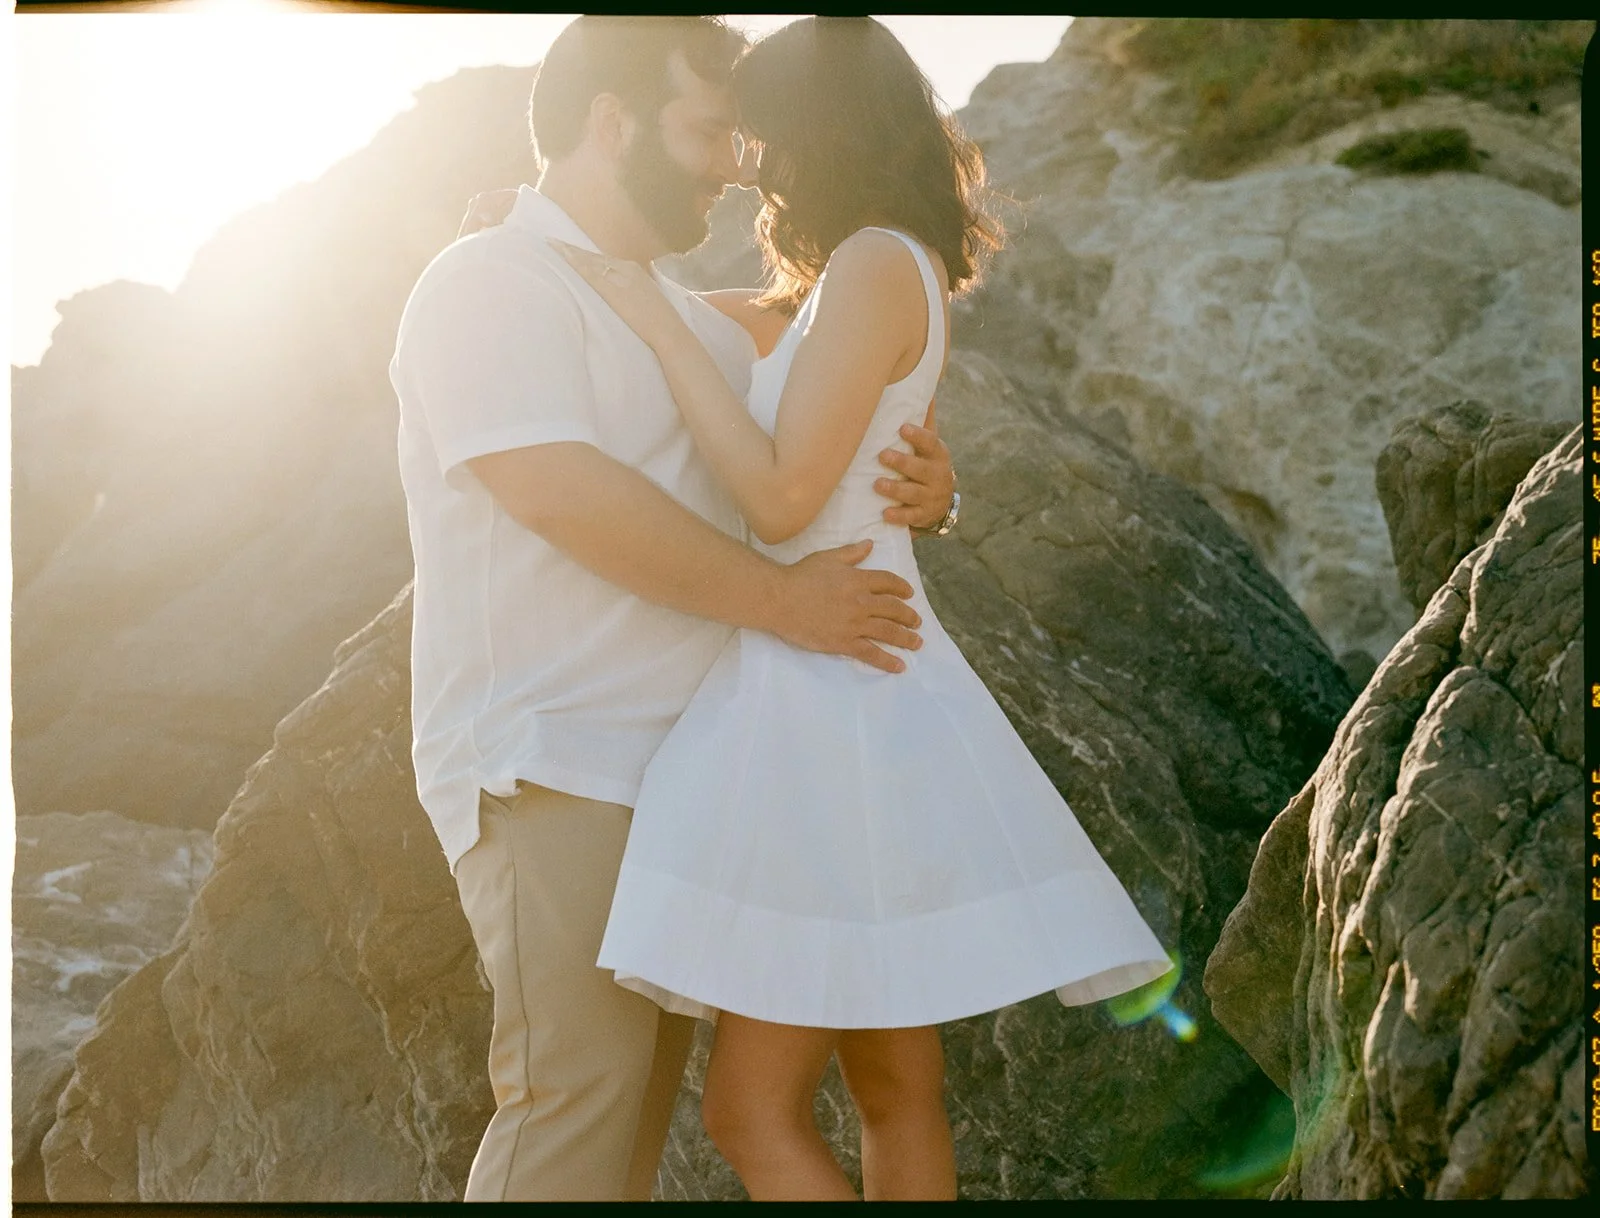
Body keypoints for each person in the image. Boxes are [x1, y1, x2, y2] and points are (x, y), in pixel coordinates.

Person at [547, 16, 1175, 1202]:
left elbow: (784, 500)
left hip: (825, 698)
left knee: (748, 1112)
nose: (748, 163)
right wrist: (624, 287)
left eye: (763, 135)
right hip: (859, 686)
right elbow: (776, 335)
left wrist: (646, 326)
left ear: (818, 131)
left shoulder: (876, 265)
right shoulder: (873, 267)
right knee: (894, 1092)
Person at [388, 15, 959, 1204]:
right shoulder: (488, 278)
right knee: (577, 1105)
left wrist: (933, 483)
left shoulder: (656, 301)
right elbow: (556, 491)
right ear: (612, 121)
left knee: (625, 1133)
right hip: (554, 764)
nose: (732, 161)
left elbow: (833, 346)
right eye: (707, 129)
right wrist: (784, 605)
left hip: (682, 773)